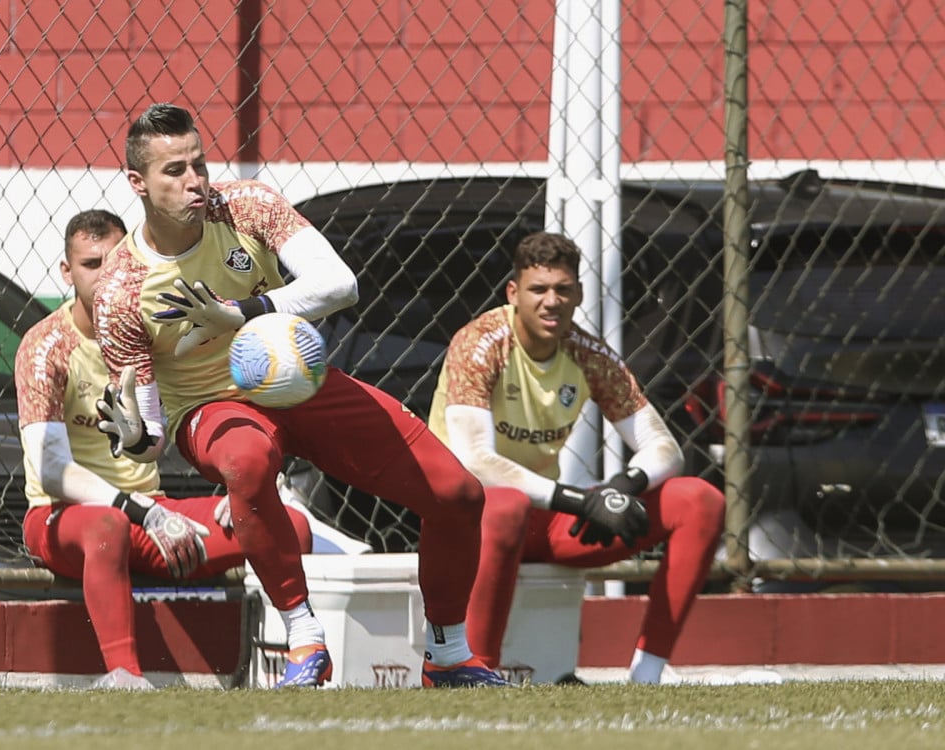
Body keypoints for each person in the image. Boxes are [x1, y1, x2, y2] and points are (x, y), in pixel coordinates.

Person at [90, 103, 509, 688]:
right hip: (211, 409)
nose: (194, 182)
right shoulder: (119, 289)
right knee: (247, 460)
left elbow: (341, 284)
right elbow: (152, 436)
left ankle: (448, 656)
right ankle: (305, 639)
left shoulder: (244, 204)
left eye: (199, 164)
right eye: (174, 172)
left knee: (458, 494)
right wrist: (135, 437)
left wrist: (240, 313)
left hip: (297, 380)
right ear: (137, 183)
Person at [14, 209, 312, 689]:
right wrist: (141, 512)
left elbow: (206, 409)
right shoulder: (46, 346)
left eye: (113, 262)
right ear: (67, 274)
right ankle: (123, 676)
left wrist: (243, 489)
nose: (103, 276)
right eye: (91, 265)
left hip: (152, 518)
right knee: (106, 525)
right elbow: (50, 470)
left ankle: (290, 662)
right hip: (64, 519)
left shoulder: (149, 334)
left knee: (288, 527)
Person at [427, 231, 726, 685]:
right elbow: (476, 462)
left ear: (579, 294)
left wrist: (620, 489)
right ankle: (476, 675)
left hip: (544, 516)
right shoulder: (481, 342)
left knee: (699, 500)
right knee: (505, 504)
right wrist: (578, 500)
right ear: (514, 293)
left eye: (563, 290)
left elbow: (664, 448)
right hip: (467, 521)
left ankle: (647, 676)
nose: (552, 302)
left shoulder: (587, 353)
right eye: (539, 289)